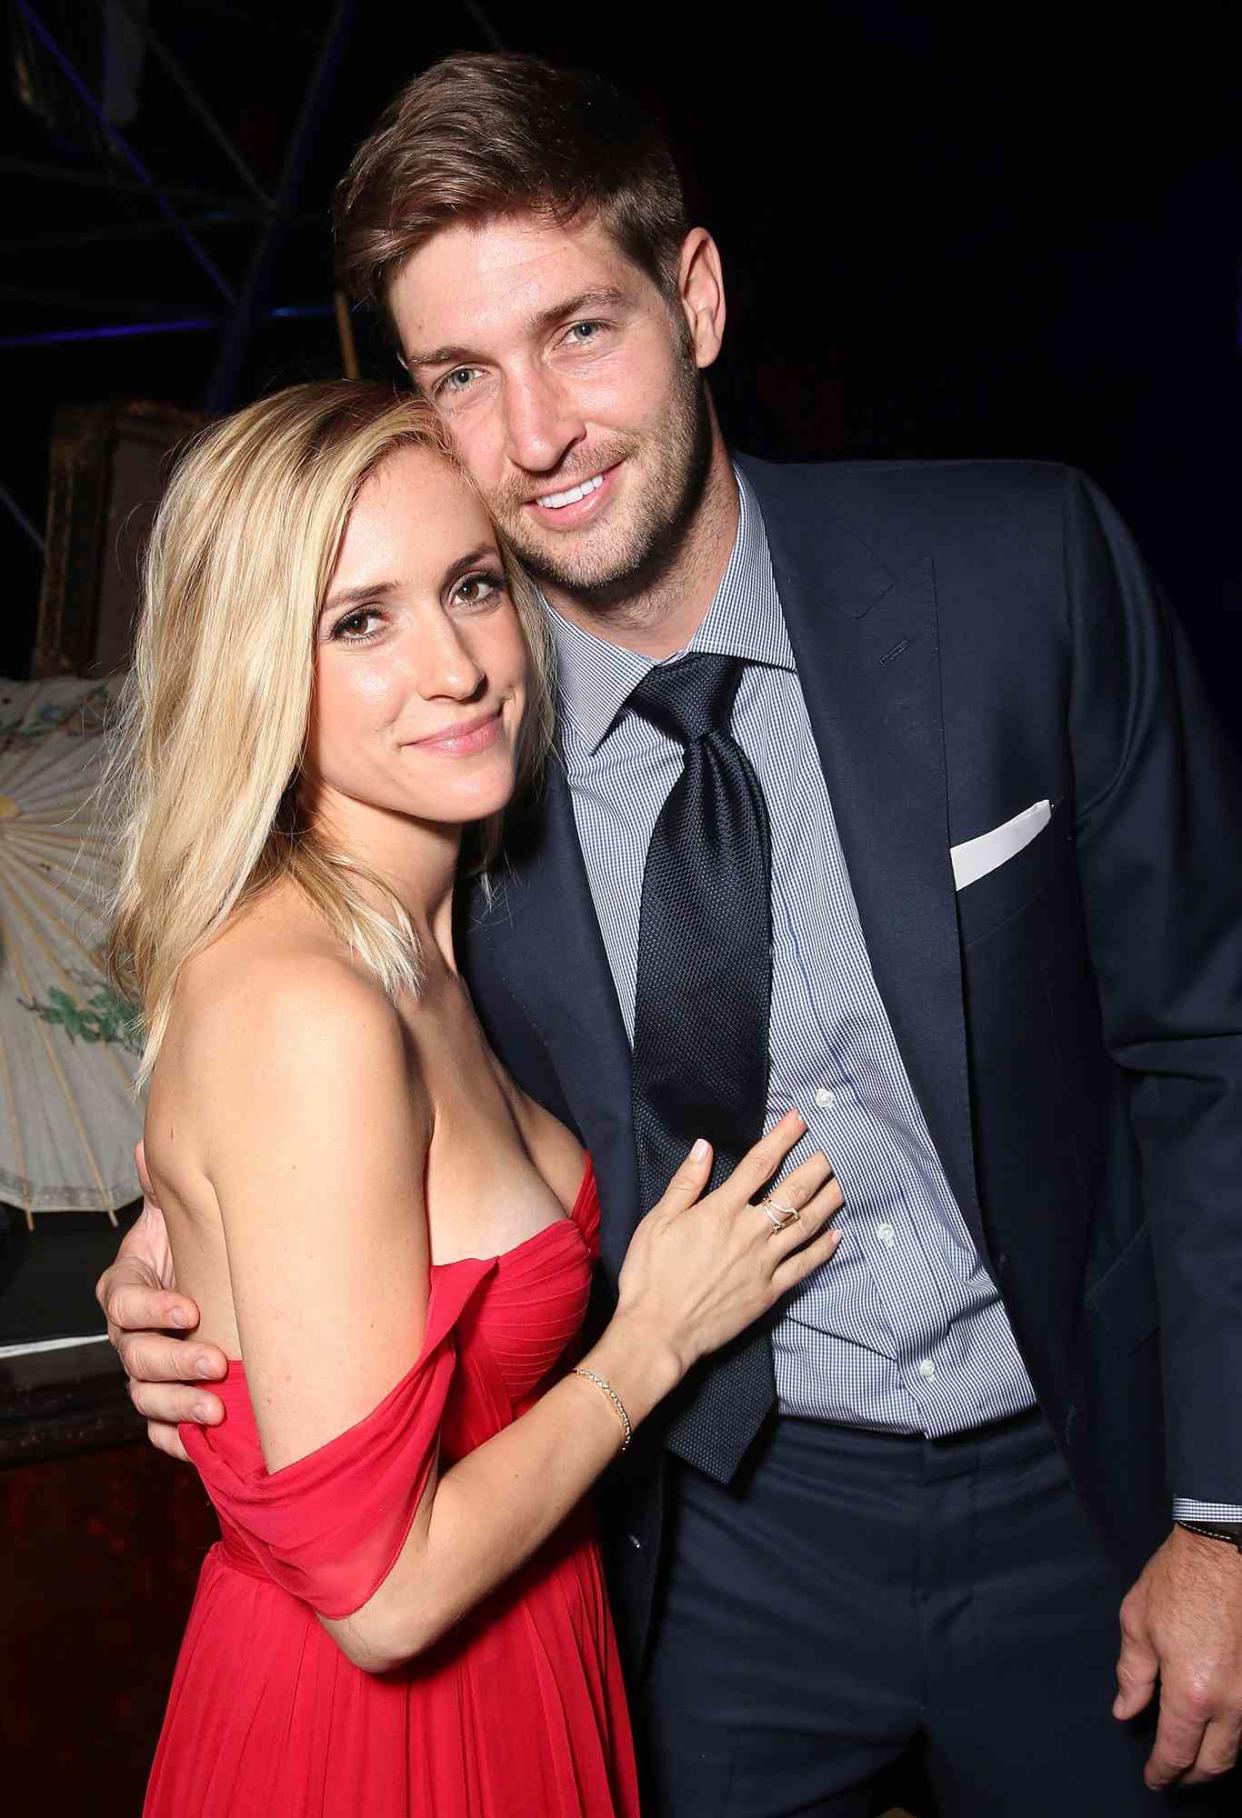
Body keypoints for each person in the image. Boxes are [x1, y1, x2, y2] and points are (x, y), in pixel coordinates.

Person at [101, 53, 1242, 1817]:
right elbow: (308, 1050)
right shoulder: (444, 751)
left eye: (577, 332)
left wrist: (1222, 1511)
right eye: (459, 375)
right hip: (706, 1535)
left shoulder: (1018, 572)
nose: (534, 435)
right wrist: (180, 1257)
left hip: (1074, 1490)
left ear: (693, 299)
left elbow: (1211, 1042)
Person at [105, 379, 841, 1818]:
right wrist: (652, 1340)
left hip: (533, 1659)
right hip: (372, 1745)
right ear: (259, 666)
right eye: (358, 620)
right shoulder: (312, 1007)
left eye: (471, 586)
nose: (455, 666)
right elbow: (378, 1597)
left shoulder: (446, 943)